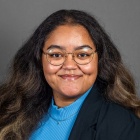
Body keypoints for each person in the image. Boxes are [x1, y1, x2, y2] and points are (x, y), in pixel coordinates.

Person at [0, 9, 140, 140]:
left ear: (100, 60)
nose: (69, 66)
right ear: (39, 60)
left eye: (82, 54)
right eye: (56, 55)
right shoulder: (11, 112)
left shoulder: (122, 125)